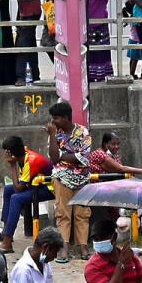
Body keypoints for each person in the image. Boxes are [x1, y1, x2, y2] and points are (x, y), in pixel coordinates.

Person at [47, 102, 91, 261]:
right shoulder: (55, 134)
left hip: (82, 178)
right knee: (62, 213)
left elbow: (84, 158)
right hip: (61, 177)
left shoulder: (83, 132)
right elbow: (53, 158)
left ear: (65, 118)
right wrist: (52, 136)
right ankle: (63, 248)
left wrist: (62, 156)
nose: (53, 122)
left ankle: (83, 246)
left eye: (56, 118)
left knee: (82, 213)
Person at [0, 136, 53, 252]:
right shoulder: (24, 153)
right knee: (8, 190)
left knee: (16, 198)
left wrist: (12, 166)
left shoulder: (30, 161)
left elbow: (18, 188)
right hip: (36, 185)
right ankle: (6, 231)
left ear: (11, 153)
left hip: (49, 189)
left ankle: (7, 242)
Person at [10, 0, 42, 83]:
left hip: (33, 12)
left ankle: (20, 77)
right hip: (23, 12)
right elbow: (20, 0)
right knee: (30, 44)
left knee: (21, 44)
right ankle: (35, 75)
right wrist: (18, 17)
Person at [86, 0, 114, 82]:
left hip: (101, 24)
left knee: (102, 51)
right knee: (90, 52)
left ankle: (102, 76)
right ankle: (91, 76)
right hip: (88, 25)